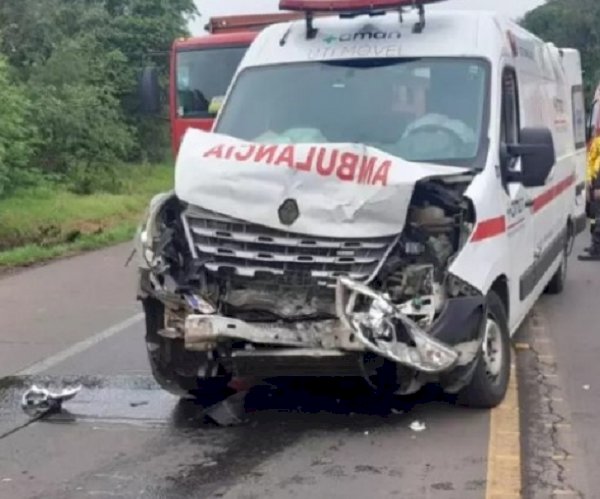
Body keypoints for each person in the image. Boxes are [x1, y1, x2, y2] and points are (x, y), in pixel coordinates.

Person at [579, 135, 600, 261]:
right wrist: (588, 181)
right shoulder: (597, 141)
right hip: (595, 180)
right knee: (594, 215)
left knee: (598, 217)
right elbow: (591, 161)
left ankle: (597, 248)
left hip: (598, 182)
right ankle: (595, 245)